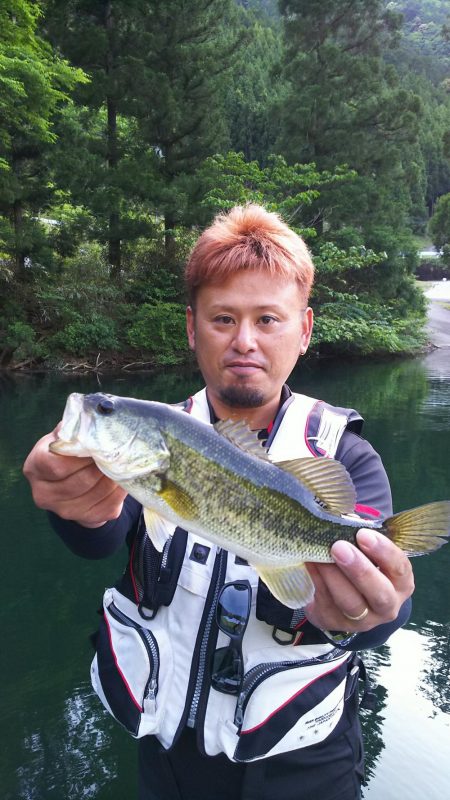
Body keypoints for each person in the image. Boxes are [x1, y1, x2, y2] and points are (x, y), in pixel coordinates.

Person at [23, 204, 414, 800]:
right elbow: (101, 534)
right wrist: (71, 504)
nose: (244, 341)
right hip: (167, 752)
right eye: (223, 318)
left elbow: (377, 615)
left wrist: (375, 613)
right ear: (191, 327)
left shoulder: (347, 458)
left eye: (268, 320)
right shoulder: (160, 434)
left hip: (301, 762)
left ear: (305, 330)